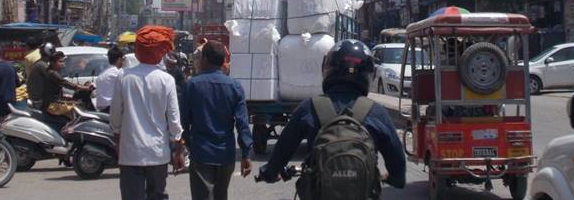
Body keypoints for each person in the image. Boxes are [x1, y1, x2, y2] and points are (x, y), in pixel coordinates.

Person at [259, 39, 406, 195]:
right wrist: (394, 178)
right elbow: (397, 162)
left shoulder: (309, 108)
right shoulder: (377, 112)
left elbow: (283, 148)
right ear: (368, 73)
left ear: (328, 68)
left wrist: (270, 173)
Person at [110, 25, 184, 200]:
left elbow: (115, 116)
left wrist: (117, 138)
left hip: (130, 152)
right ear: (161, 52)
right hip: (158, 153)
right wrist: (179, 149)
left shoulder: (123, 77)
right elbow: (174, 120)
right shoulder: (167, 80)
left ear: (137, 51)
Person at [181, 40, 252, 200]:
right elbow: (242, 123)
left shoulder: (192, 85)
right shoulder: (235, 87)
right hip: (226, 154)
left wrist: (185, 146)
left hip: (201, 153)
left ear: (205, 59)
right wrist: (246, 153)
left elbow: (183, 122)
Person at [95, 46, 125, 113]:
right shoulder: (117, 73)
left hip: (102, 109)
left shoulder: (103, 73)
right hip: (111, 109)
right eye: (123, 59)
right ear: (119, 59)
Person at [26, 42, 57, 106]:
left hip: (38, 98)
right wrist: (76, 86)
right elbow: (55, 77)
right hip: (39, 100)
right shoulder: (42, 65)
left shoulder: (42, 63)